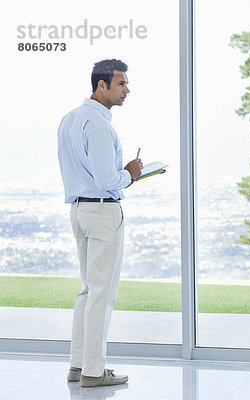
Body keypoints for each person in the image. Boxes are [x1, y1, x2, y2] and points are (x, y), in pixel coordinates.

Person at [57, 59, 142, 387]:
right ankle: (94, 371)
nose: (127, 90)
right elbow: (108, 178)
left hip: (78, 211)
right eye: (121, 84)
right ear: (101, 85)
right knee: (101, 295)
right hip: (104, 212)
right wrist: (131, 174)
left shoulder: (69, 119)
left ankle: (78, 366)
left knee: (87, 291)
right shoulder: (99, 125)